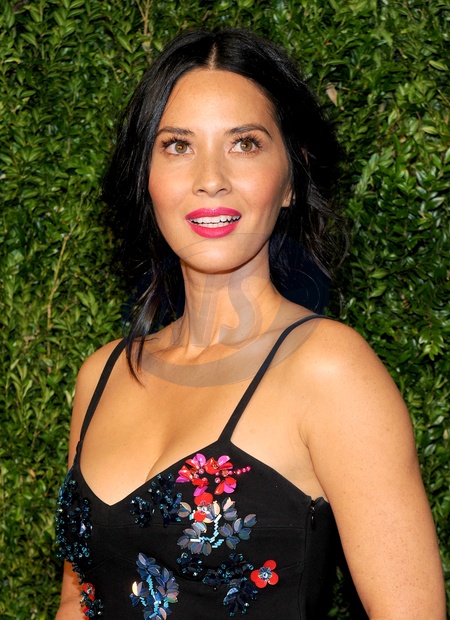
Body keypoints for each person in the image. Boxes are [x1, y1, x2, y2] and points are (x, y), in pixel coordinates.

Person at [55, 29, 445, 619]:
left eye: (244, 143)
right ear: (146, 177)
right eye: (177, 145)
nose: (210, 177)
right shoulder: (103, 375)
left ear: (290, 179)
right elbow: (77, 601)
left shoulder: (329, 370)